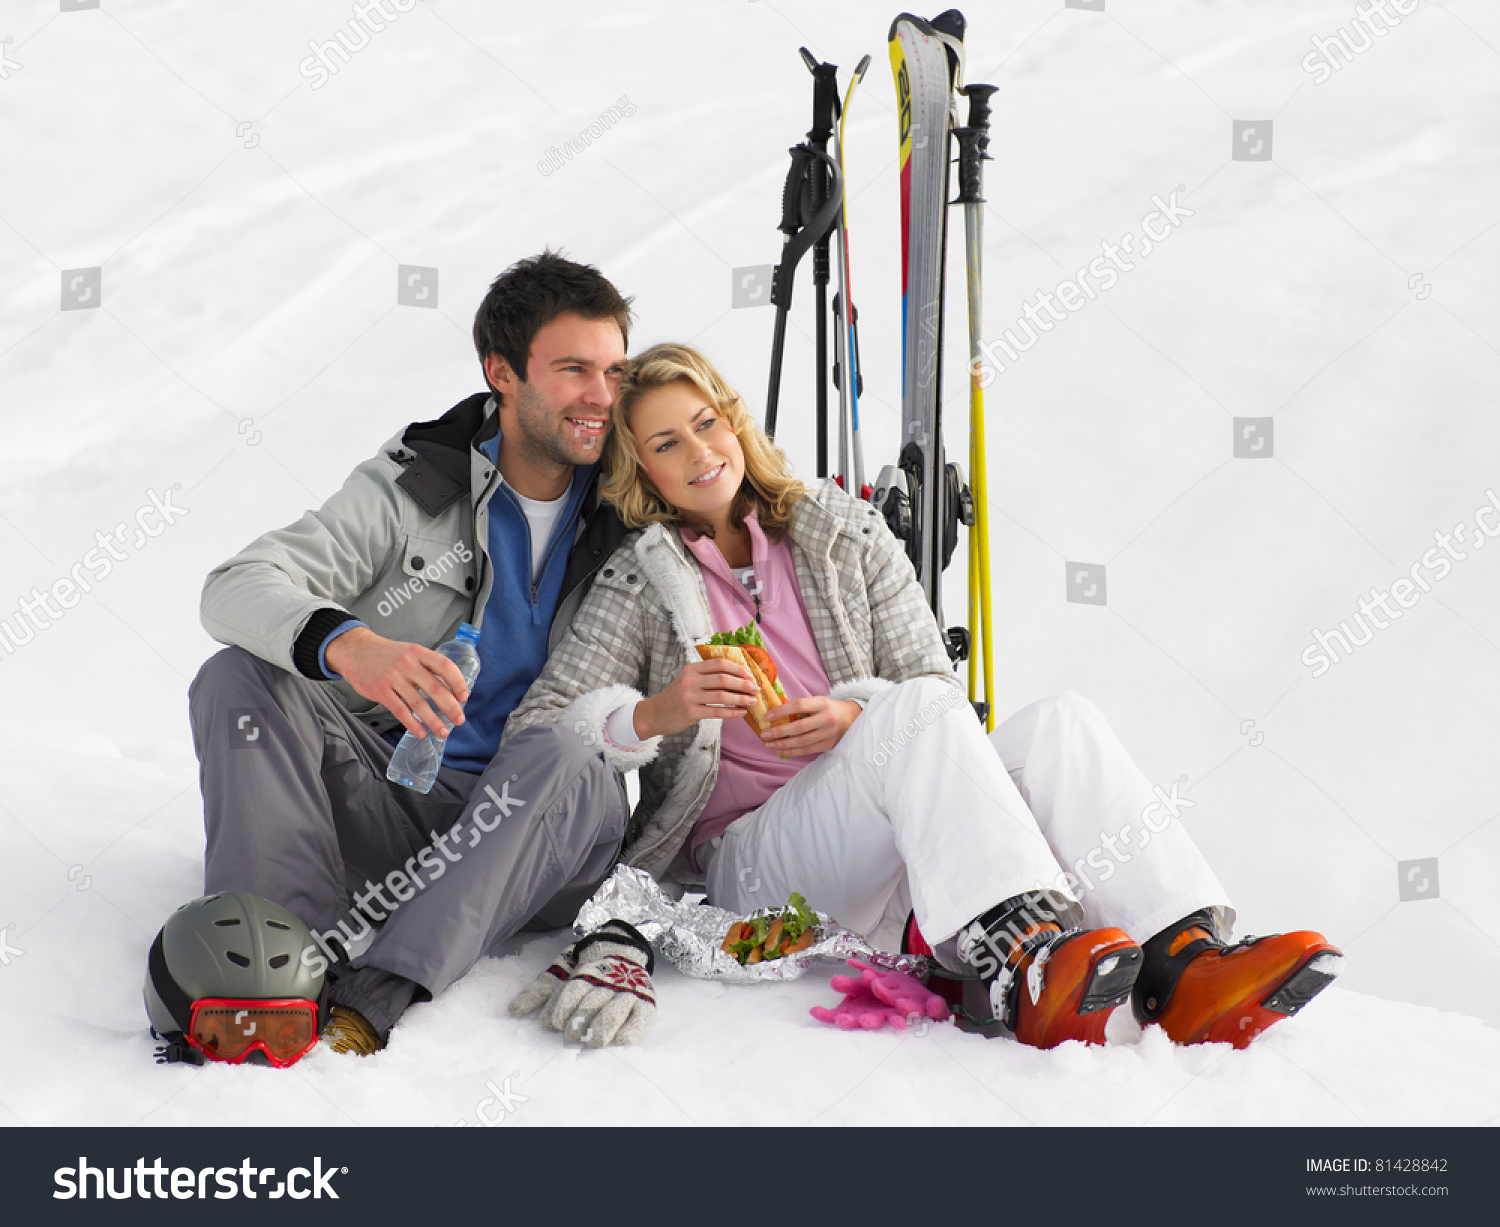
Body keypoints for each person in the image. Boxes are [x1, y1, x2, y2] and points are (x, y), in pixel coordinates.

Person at [506, 342, 1342, 1050]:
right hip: (753, 867)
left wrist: (848, 717)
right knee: (906, 712)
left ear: (734, 421)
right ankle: (1024, 963)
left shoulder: (842, 531)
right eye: (665, 444)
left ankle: (1185, 962)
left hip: (889, 837)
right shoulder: (640, 581)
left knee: (1060, 720)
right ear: (640, 470)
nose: (698, 454)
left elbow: (937, 692)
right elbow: (541, 730)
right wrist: (659, 713)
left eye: (705, 424)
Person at [188, 251, 648, 1055]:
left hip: (536, 835)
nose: (602, 396)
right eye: (574, 369)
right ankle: (278, 964)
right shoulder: (416, 483)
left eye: (614, 370)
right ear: (501, 372)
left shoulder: (640, 502)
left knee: (572, 752)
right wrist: (352, 645)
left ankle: (383, 987)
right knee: (238, 676)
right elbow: (235, 584)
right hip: (395, 795)